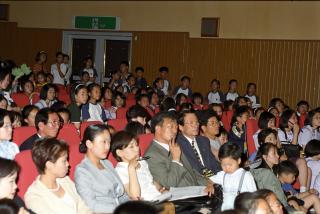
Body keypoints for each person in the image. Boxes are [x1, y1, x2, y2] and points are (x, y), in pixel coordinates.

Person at [144, 112, 212, 191]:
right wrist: (176, 159)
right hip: (180, 198)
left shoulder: (174, 146)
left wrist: (208, 183)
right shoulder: (151, 155)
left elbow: (191, 171)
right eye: (170, 127)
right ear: (158, 128)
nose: (175, 131)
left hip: (196, 191)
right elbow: (169, 184)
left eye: (176, 127)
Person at [25, 138, 92, 214]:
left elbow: (83, 207)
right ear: (49, 165)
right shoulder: (34, 196)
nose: (68, 164)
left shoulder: (65, 180)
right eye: (64, 161)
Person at [75, 124, 129, 213]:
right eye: (103, 142)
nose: (108, 147)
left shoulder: (107, 163)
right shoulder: (82, 171)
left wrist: (132, 206)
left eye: (109, 142)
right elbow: (90, 205)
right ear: (89, 144)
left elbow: (121, 193)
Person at [112, 131, 165, 201]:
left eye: (136, 145)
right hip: (145, 205)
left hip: (158, 197)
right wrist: (131, 169)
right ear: (119, 153)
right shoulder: (119, 171)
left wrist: (161, 189)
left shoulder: (142, 161)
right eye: (131, 147)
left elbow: (150, 182)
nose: (137, 149)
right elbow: (135, 196)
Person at [209, 143, 256, 211]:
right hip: (226, 210)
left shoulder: (246, 176)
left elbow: (254, 196)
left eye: (230, 164)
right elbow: (211, 179)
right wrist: (210, 185)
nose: (227, 168)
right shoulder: (222, 175)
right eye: (223, 165)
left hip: (242, 209)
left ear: (238, 161)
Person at [177, 110, 221, 177]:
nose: (196, 125)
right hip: (196, 182)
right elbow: (189, 172)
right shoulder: (177, 144)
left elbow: (214, 163)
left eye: (197, 122)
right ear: (181, 127)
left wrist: (221, 176)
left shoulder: (203, 141)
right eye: (191, 123)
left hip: (212, 178)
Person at [250, 143, 288, 208]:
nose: (278, 156)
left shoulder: (255, 170)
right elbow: (275, 195)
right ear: (265, 156)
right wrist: (286, 207)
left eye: (277, 153)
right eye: (274, 153)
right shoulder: (266, 173)